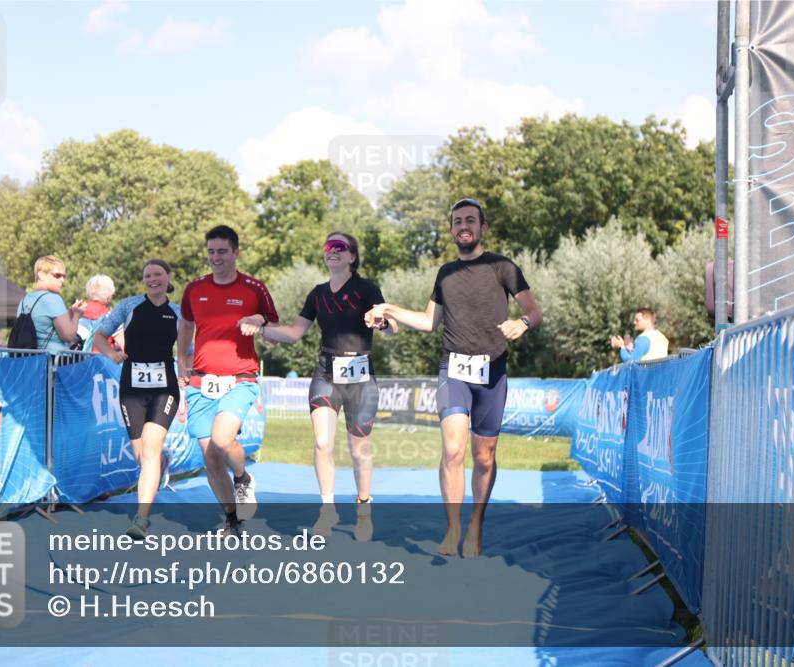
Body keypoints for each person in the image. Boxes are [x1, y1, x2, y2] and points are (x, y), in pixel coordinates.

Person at [365, 198, 543, 558]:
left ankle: (476, 522)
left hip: (492, 370)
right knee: (452, 449)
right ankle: (453, 528)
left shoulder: (502, 267)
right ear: (451, 230)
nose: (463, 226)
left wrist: (520, 323)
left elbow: (534, 311)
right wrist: (389, 309)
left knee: (485, 456)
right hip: (454, 369)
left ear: (482, 227)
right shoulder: (445, 273)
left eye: (470, 220)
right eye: (457, 221)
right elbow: (430, 322)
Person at [260, 232, 396, 539]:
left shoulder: (366, 288)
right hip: (326, 373)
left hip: (360, 376)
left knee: (359, 450)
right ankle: (327, 510)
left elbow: (392, 327)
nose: (331, 251)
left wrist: (383, 321)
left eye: (339, 247)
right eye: (327, 247)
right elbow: (295, 332)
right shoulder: (318, 293)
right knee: (322, 443)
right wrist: (263, 329)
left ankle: (363, 509)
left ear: (352, 257)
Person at [177, 225, 279, 536]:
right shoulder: (194, 289)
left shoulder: (254, 288)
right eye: (211, 252)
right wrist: (182, 362)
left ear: (235, 252)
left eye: (222, 251)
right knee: (210, 459)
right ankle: (232, 520)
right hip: (200, 383)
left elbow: (274, 327)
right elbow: (185, 326)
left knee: (222, 440)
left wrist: (258, 320)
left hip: (240, 378)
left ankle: (243, 479)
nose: (215, 257)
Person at [94, 260, 181, 540]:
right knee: (142, 456)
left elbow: (191, 347)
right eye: (147, 276)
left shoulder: (178, 313)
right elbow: (99, 335)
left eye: (158, 274)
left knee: (151, 450)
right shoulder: (129, 306)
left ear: (168, 278)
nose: (152, 279)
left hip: (165, 388)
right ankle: (160, 465)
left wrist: (188, 374)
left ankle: (141, 519)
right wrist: (112, 355)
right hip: (131, 388)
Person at [14, 256, 86, 353]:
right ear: (41, 275)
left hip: (29, 360)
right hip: (54, 361)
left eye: (64, 276)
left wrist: (70, 313)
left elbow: (44, 326)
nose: (62, 280)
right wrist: (77, 315)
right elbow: (68, 336)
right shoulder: (53, 299)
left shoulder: (25, 300)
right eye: (57, 276)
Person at [79, 274, 123, 353]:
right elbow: (124, 345)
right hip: (102, 362)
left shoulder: (78, 314)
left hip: (80, 362)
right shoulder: (110, 317)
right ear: (108, 296)